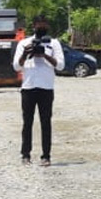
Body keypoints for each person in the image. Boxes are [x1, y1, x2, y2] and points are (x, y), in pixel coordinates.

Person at [11, 14, 65, 166]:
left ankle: (46, 156)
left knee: (45, 122)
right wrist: (25, 53)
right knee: (27, 122)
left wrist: (44, 55)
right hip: (28, 87)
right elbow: (16, 66)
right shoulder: (24, 43)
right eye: (38, 24)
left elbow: (60, 65)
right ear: (33, 25)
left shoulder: (54, 44)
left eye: (44, 24)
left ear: (48, 25)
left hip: (46, 88)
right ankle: (25, 154)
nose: (41, 27)